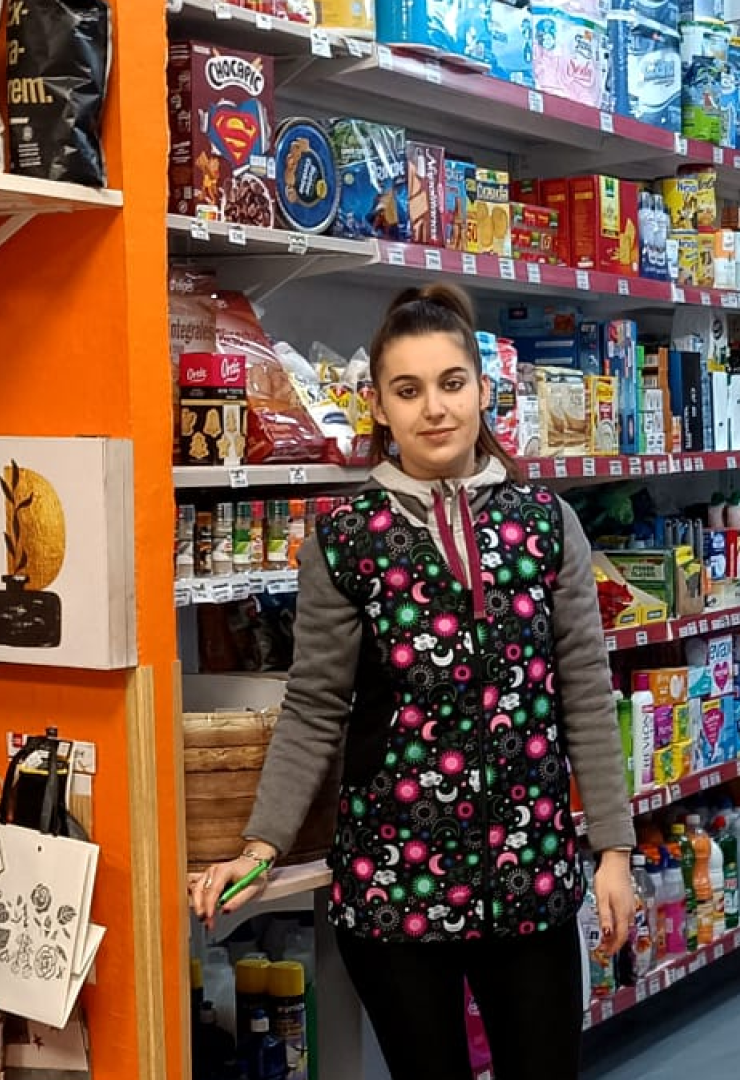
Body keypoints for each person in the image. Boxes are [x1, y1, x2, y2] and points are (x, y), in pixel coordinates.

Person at [190, 284, 636, 1080]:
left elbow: (585, 694)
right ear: (380, 406)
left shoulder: (545, 522)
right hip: (393, 884)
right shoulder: (346, 537)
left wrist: (613, 850)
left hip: (531, 877)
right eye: (409, 390)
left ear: (481, 391)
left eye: (451, 384)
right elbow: (316, 704)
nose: (434, 408)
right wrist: (261, 844)